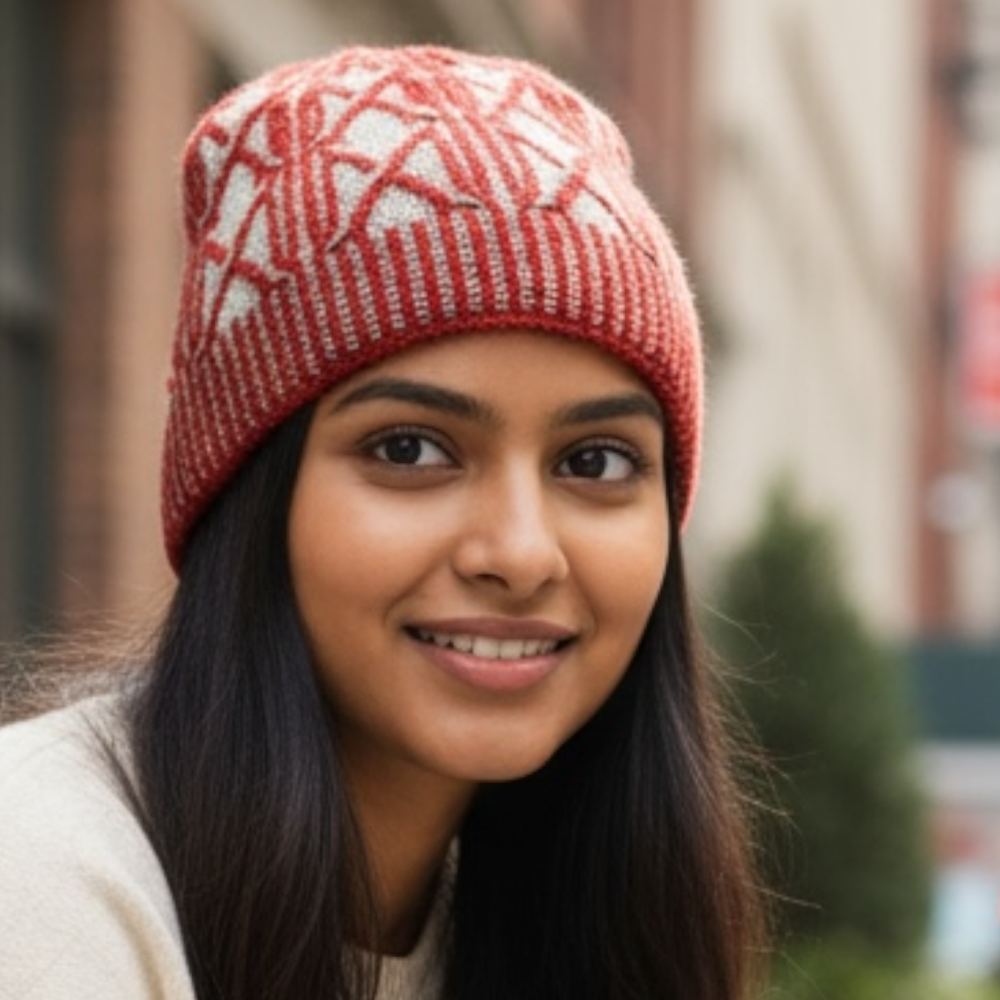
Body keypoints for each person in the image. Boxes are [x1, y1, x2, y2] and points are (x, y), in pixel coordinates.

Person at [0, 44, 767, 999]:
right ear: (250, 493)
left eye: (596, 462)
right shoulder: (40, 884)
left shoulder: (570, 915)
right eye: (410, 449)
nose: (520, 553)